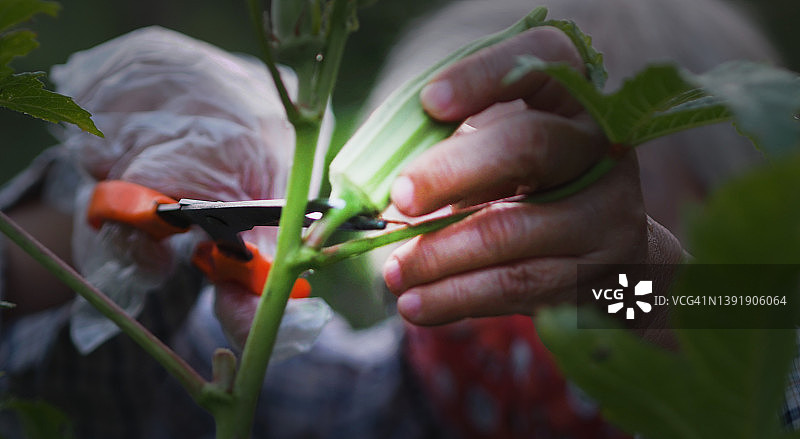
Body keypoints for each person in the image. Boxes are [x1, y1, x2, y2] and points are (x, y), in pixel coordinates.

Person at [0, 1, 788, 439]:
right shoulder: (358, 407)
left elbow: (766, 318)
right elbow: (77, 384)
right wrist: (92, 227)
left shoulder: (748, 366)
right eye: (460, 205)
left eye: (562, 206)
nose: (519, 293)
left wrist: (643, 288)